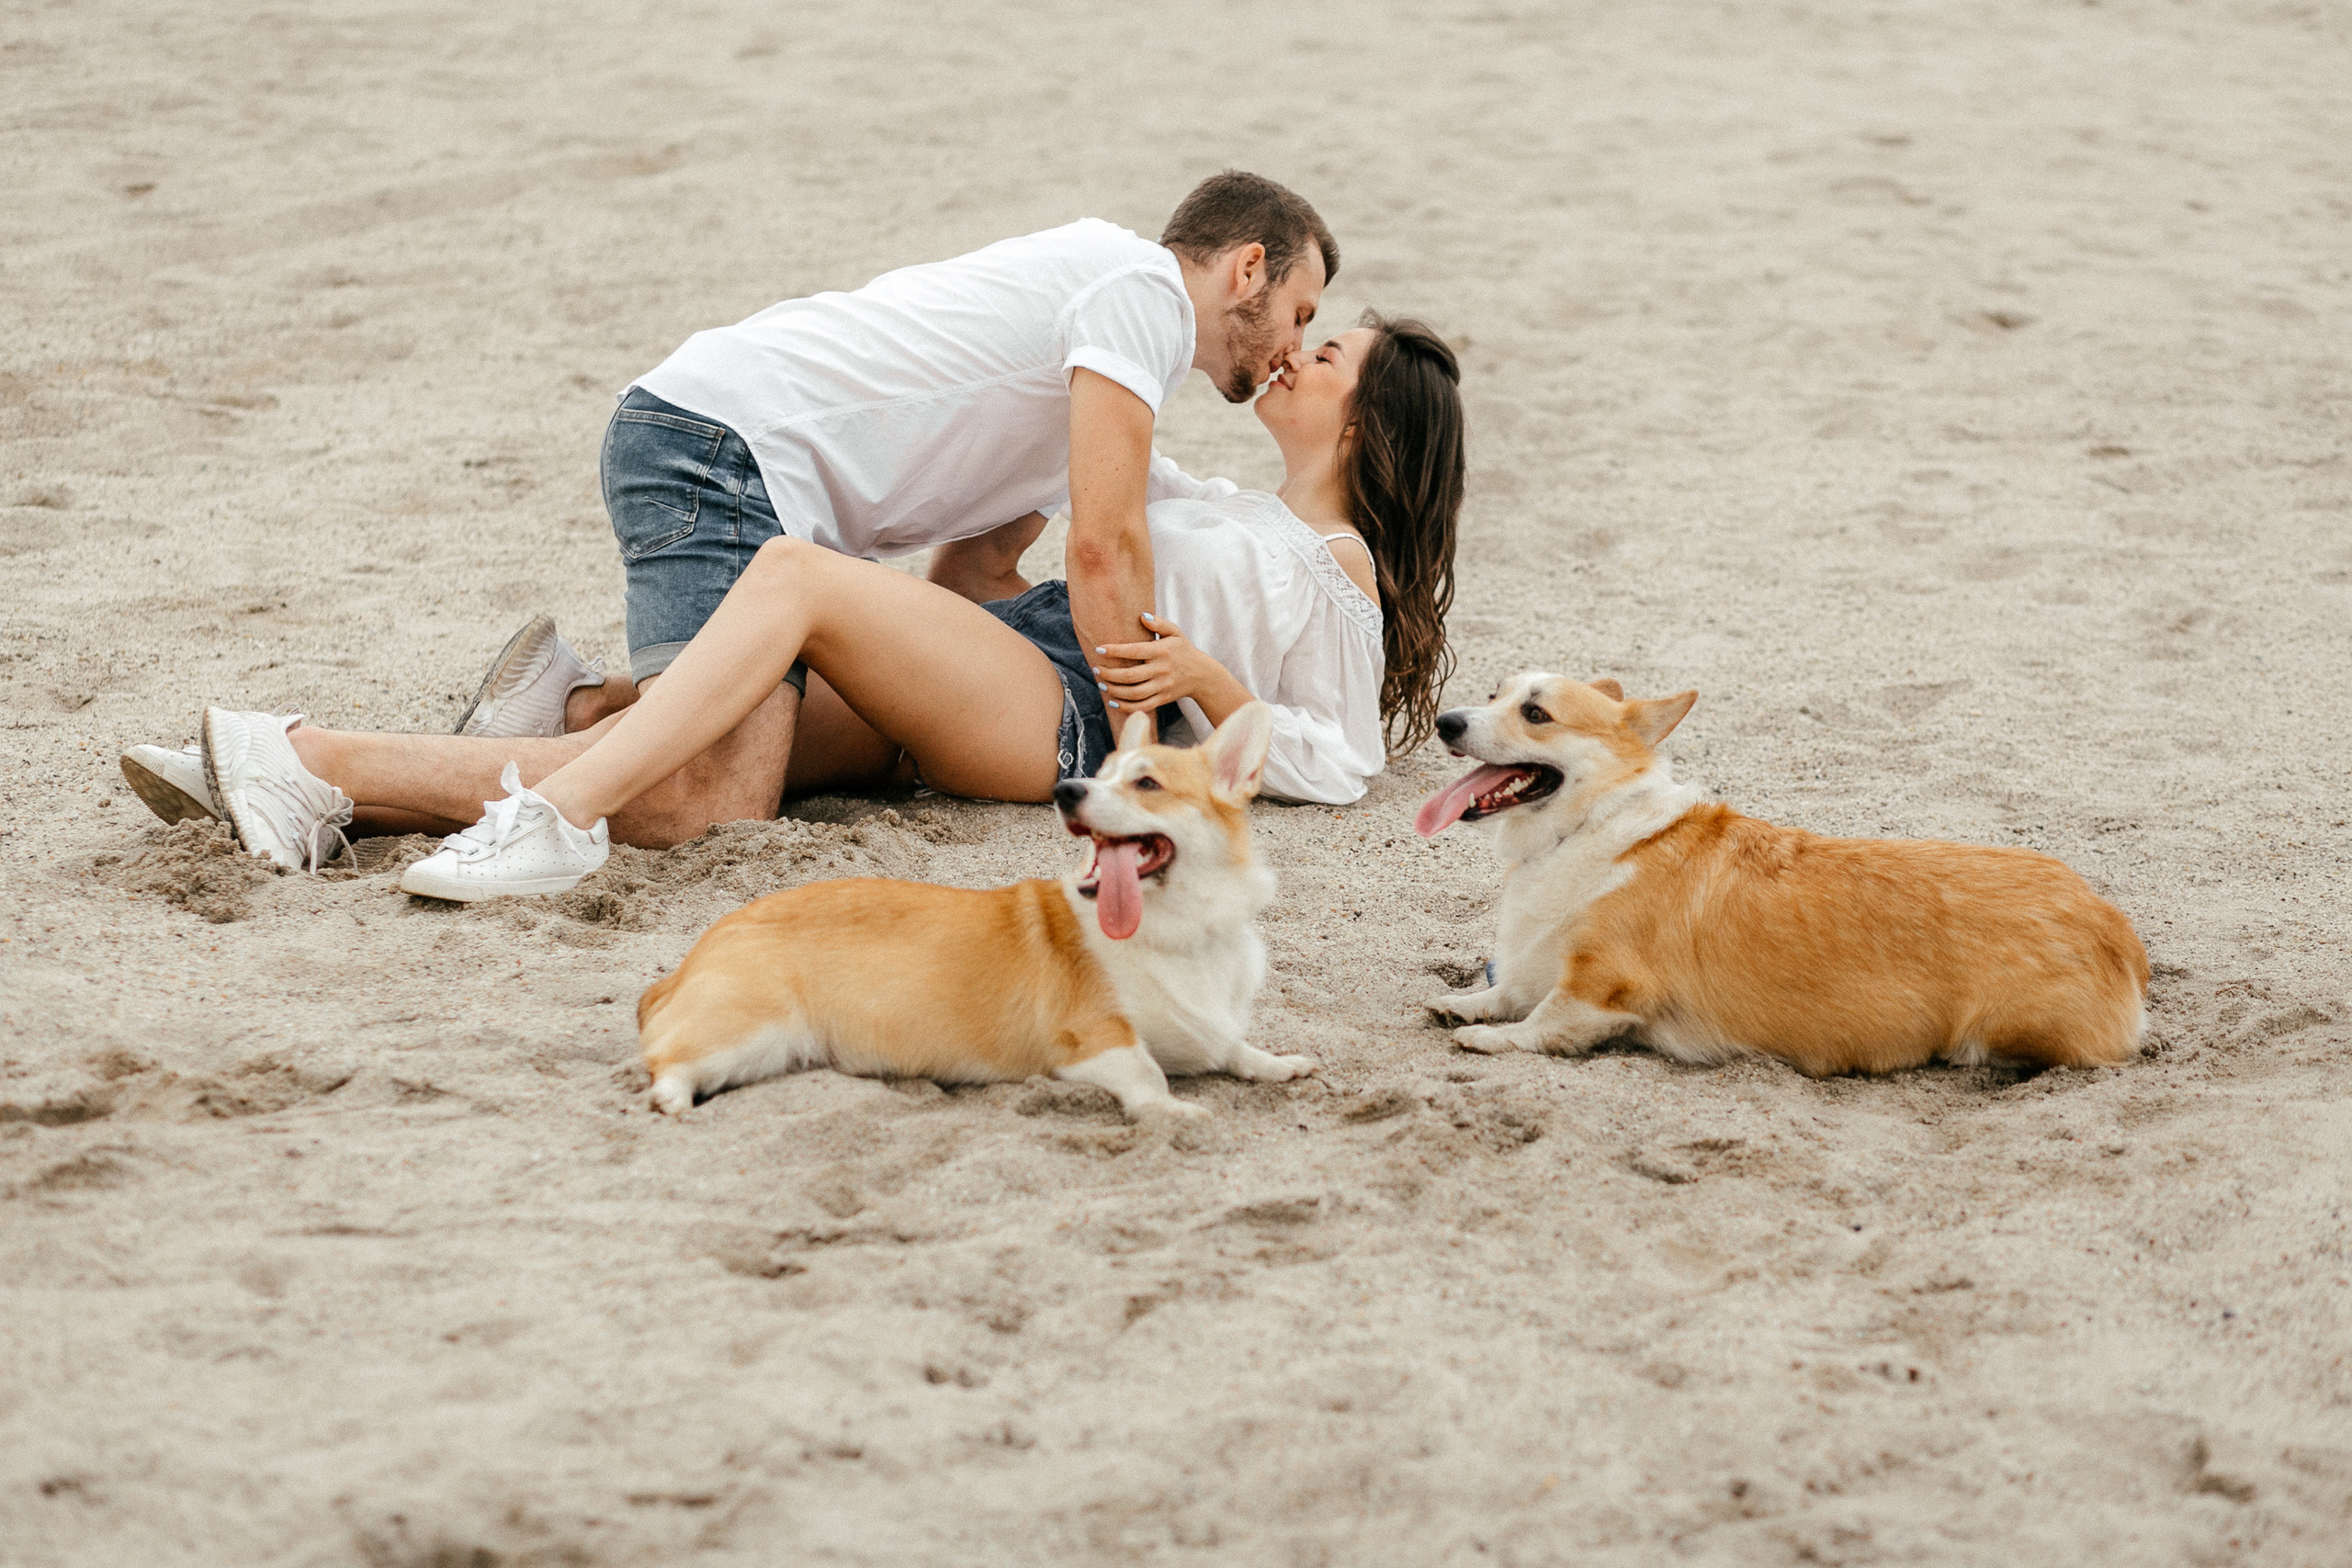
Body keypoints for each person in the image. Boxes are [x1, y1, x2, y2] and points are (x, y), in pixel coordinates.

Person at [131, 315, 1465, 898]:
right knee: (689, 779)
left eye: (1328, 349)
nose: (1298, 348)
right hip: (997, 659)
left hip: (1062, 717)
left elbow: (1336, 763)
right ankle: (314, 771)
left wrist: (1208, 683)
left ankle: (471, 775)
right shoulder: (1222, 500)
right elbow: (1040, 492)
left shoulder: (1334, 566)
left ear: (1372, 423)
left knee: (798, 579)